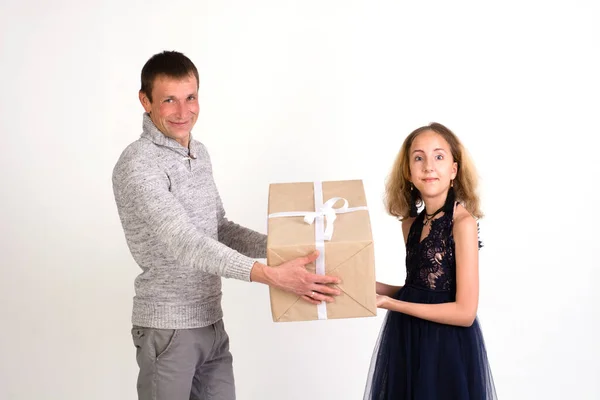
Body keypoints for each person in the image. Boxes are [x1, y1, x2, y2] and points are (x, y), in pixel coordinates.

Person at [112, 50, 341, 400]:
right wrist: (271, 274)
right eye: (169, 100)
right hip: (168, 328)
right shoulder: (138, 163)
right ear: (146, 101)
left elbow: (219, 228)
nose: (183, 111)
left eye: (190, 98)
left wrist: (284, 247)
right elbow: (186, 242)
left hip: (211, 324)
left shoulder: (198, 153)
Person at [364, 123, 497, 399]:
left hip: (446, 347)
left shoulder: (462, 224)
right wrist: (370, 286)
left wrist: (391, 303)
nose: (428, 166)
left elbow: (465, 312)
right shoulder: (410, 225)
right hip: (407, 339)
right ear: (409, 173)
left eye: (439, 156)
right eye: (418, 157)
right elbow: (418, 289)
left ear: (453, 170)